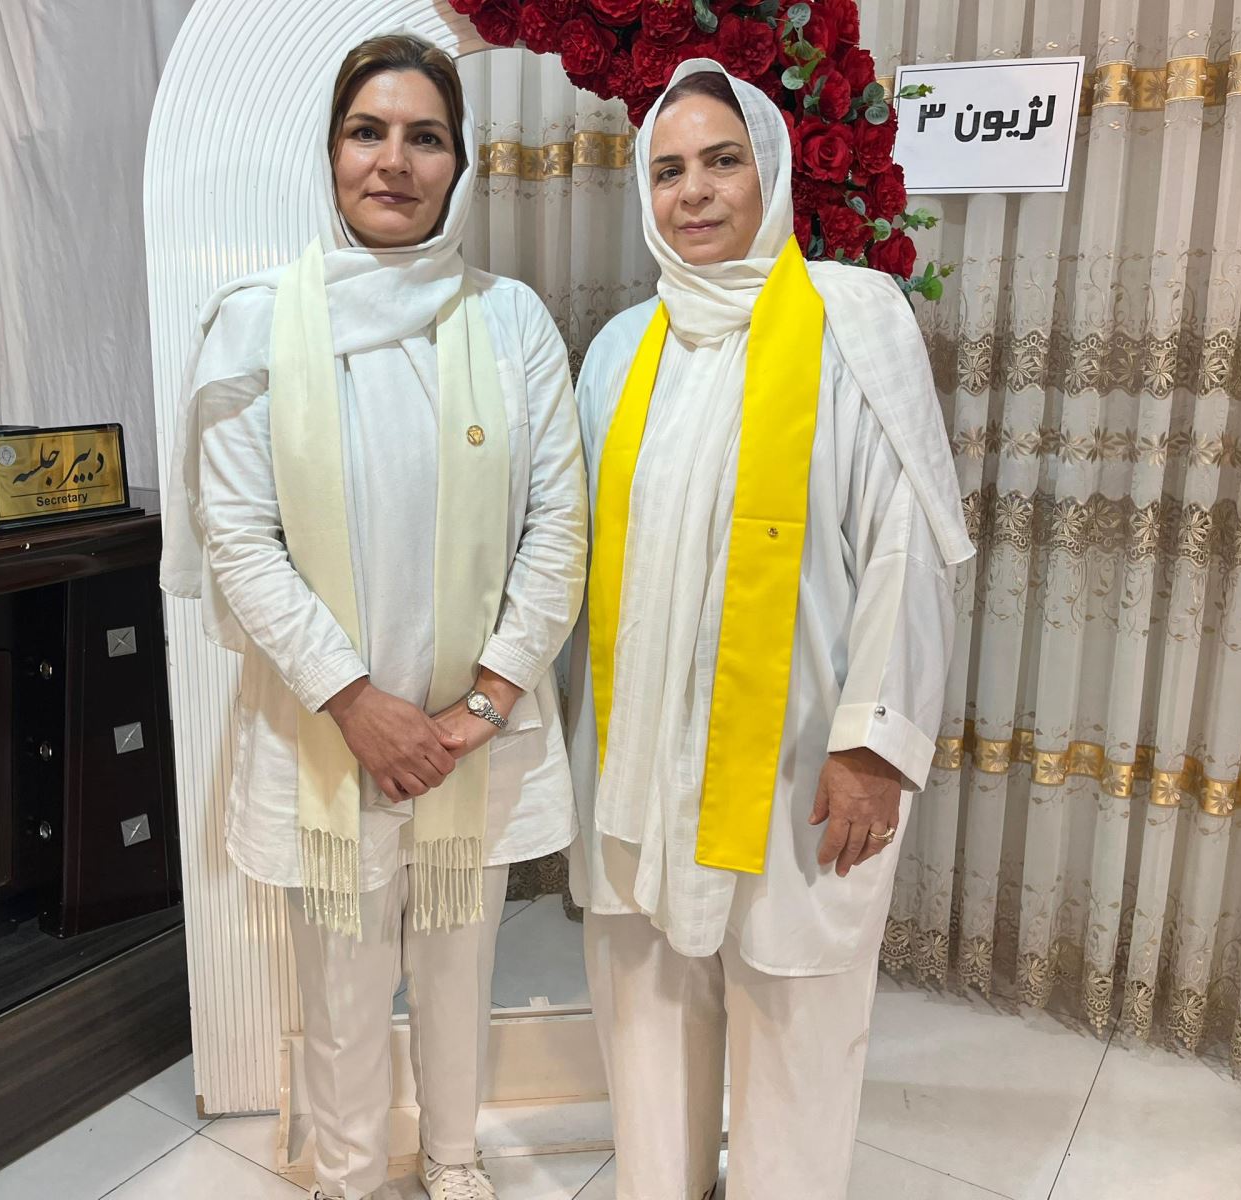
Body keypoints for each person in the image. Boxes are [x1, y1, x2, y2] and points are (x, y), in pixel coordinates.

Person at [161, 33, 587, 1200]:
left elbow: (560, 527)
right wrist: (356, 703)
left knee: (459, 968)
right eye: (367, 132)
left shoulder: (510, 322)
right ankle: (349, 1176)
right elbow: (238, 537)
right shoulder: (254, 322)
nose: (393, 161)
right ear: (332, 153)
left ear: (459, 165)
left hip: (468, 740)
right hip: (325, 733)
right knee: (340, 993)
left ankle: (453, 1160)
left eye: (424, 137)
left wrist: (478, 708)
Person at [565, 60, 974, 1200]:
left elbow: (905, 543)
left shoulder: (852, 320)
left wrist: (873, 745)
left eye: (721, 161)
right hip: (644, 753)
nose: (692, 192)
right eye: (667, 171)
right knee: (646, 998)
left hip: (801, 756)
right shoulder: (621, 350)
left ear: (773, 172)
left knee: (797, 1014)